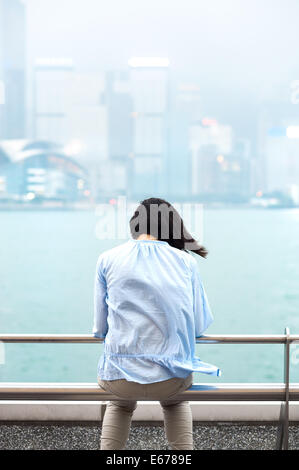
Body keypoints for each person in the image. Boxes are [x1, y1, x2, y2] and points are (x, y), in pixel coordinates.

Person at [93, 197, 220, 450]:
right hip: (171, 377)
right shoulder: (186, 262)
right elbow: (198, 325)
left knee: (119, 403)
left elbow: (99, 328)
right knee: (175, 402)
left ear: (135, 226)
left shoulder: (107, 259)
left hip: (121, 377)